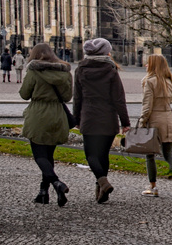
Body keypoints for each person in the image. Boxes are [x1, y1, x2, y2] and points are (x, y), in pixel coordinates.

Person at [72, 38, 130, 204]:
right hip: (108, 117)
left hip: (89, 116)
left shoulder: (81, 69)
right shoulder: (110, 69)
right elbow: (119, 98)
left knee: (91, 154)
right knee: (103, 154)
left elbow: (77, 97)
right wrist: (125, 121)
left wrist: (76, 118)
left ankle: (102, 184)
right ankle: (101, 187)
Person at [18, 43, 73, 205]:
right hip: (57, 114)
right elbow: (67, 97)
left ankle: (57, 183)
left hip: (38, 114)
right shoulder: (64, 72)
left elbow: (24, 94)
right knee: (49, 155)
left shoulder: (34, 71)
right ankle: (43, 192)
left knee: (40, 155)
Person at [137, 53, 172, 197]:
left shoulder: (150, 81)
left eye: (148, 63)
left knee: (150, 155)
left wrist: (142, 122)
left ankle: (153, 187)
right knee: (168, 154)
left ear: (153, 65)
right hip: (168, 119)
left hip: (154, 120)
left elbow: (147, 105)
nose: (146, 65)